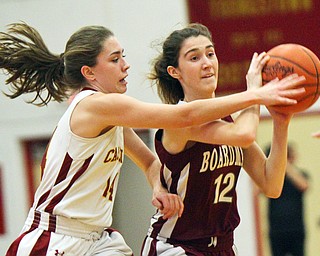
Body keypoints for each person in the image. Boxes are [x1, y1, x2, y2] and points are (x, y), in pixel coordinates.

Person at [0, 22, 304, 256]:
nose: (126, 65)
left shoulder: (113, 118)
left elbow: (148, 161)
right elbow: (185, 117)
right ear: (89, 72)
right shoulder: (94, 104)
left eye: (124, 57)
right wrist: (255, 94)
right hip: (55, 237)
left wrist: (159, 187)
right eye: (115, 59)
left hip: (99, 238)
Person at [140, 23, 305, 256]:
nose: (207, 63)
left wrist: (281, 123)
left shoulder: (233, 118)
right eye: (194, 58)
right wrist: (254, 93)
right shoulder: (178, 121)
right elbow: (244, 134)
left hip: (223, 247)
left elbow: (271, 184)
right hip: (176, 246)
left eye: (210, 53)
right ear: (174, 71)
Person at [264, 143, 309, 256]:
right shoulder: (271, 178)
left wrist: (284, 164)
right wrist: (271, 167)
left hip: (296, 228)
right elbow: (256, 191)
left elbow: (304, 185)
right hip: (276, 230)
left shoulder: (300, 174)